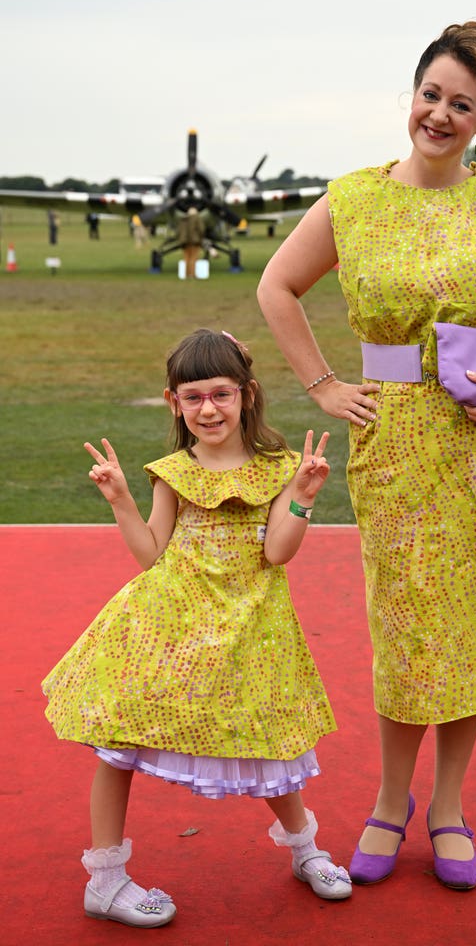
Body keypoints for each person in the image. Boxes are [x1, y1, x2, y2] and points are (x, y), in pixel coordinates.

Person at [257, 21, 476, 892]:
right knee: (409, 632)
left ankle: (447, 807)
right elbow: (276, 287)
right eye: (432, 94)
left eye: (463, 105)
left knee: (470, 631)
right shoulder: (354, 199)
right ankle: (387, 802)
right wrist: (325, 383)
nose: (440, 114)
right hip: (397, 440)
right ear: (411, 96)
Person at [42, 328, 352, 928]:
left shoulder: (282, 468)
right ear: (173, 402)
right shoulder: (171, 471)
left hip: (251, 627)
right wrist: (120, 499)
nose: (208, 409)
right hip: (166, 625)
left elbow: (279, 554)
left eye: (220, 394)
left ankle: (306, 851)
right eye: (192, 397)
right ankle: (104, 881)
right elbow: (152, 553)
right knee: (119, 744)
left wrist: (304, 496)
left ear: (247, 395)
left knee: (271, 743)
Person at [177, 207, 205, 277]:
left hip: (184, 241)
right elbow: (201, 229)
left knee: (186, 258)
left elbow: (179, 231)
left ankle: (187, 274)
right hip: (194, 241)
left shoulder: (183, 219)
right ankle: (192, 274)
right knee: (194, 258)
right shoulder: (197, 218)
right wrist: (201, 237)